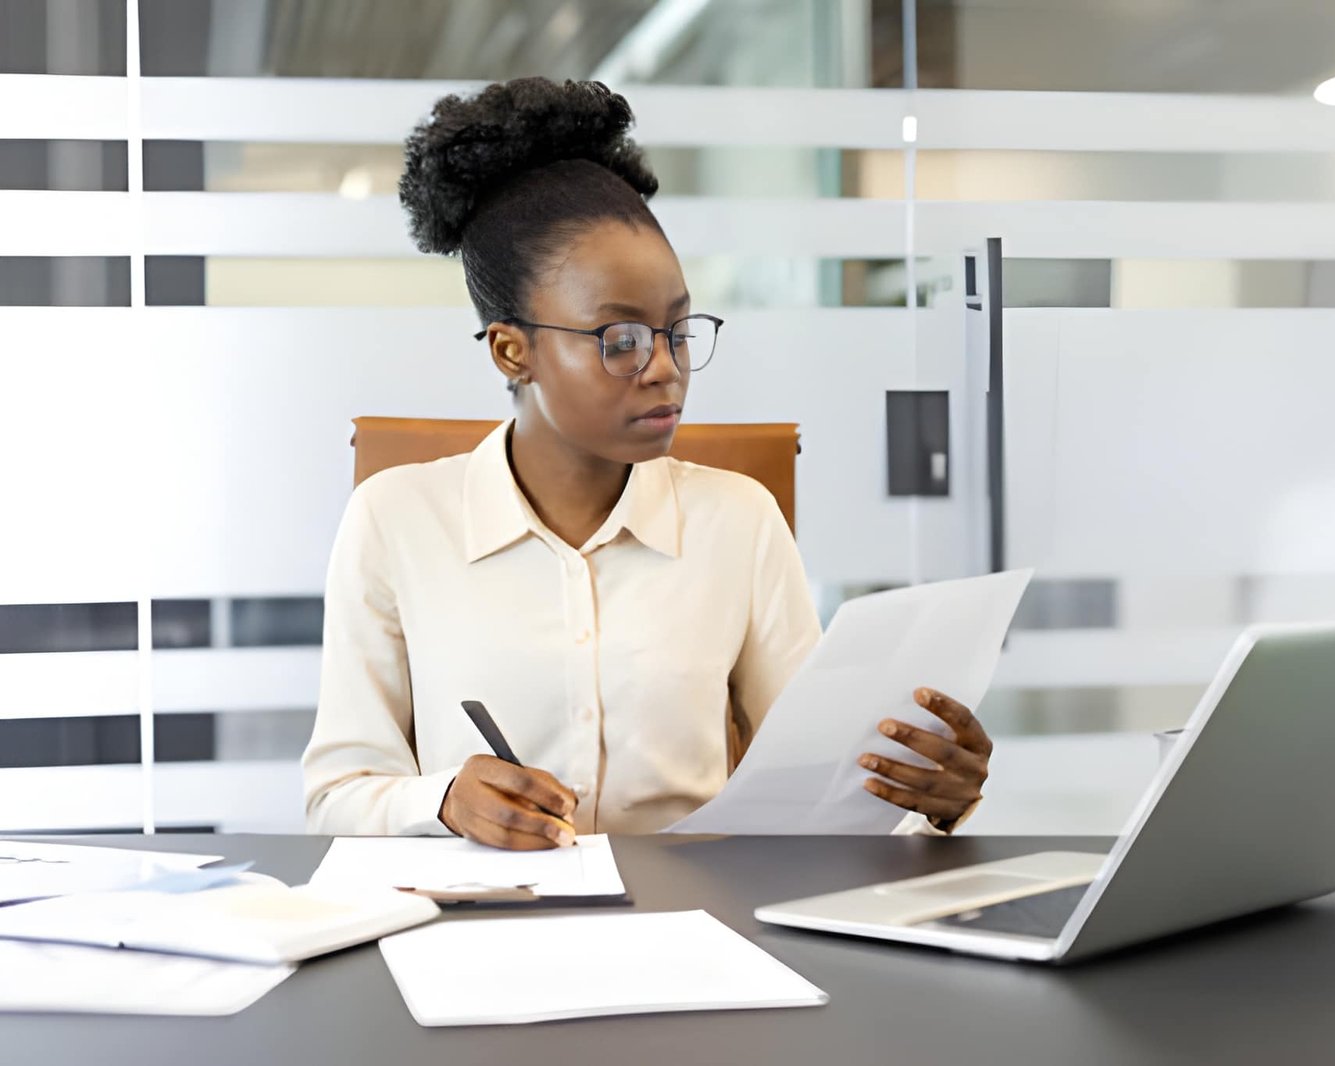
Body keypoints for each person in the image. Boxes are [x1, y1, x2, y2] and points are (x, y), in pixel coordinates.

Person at [302, 77, 992, 849]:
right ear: (512, 349)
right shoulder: (397, 520)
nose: (665, 367)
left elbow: (822, 791)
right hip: (484, 932)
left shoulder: (738, 520)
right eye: (620, 340)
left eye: (678, 331)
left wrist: (935, 795)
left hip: (699, 923)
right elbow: (335, 797)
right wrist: (442, 804)